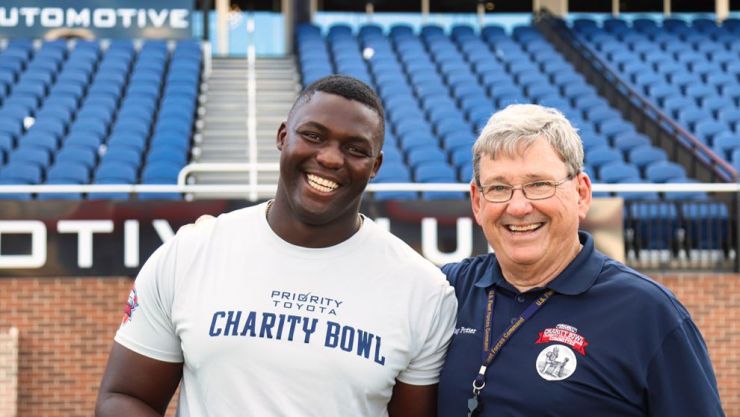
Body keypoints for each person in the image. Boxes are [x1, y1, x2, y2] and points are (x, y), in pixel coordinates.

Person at [96, 75, 457, 417]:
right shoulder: (191, 253)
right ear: (283, 136)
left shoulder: (421, 289)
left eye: (355, 148)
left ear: (375, 166)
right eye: (314, 136)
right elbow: (124, 398)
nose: (330, 158)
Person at [437, 104, 725, 417]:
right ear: (477, 202)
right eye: (499, 188)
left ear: (581, 194)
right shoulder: (447, 291)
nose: (518, 206)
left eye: (539, 184)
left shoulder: (649, 313)